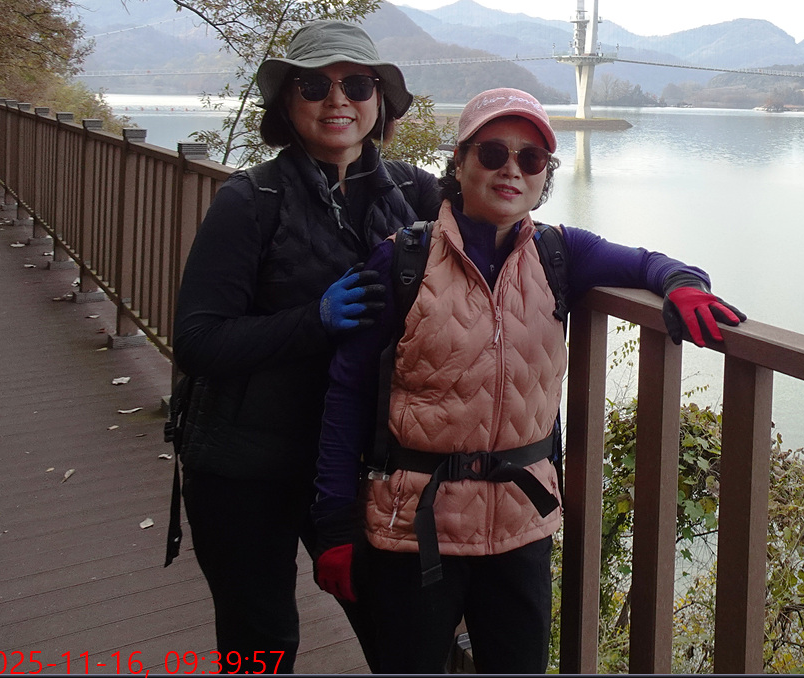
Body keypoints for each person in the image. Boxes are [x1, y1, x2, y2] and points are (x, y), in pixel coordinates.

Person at [310, 87, 745, 674]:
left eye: (531, 158)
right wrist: (334, 524)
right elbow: (347, 393)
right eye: (492, 153)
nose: (512, 170)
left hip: (520, 526)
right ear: (459, 162)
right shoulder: (402, 261)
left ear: (545, 174)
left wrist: (684, 285)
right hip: (412, 528)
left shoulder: (559, 254)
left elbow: (649, 263)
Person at [171, 20, 439, 673]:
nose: (337, 100)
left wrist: (657, 274)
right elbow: (199, 341)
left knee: (400, 637)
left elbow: (513, 240)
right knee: (259, 644)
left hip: (357, 466)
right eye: (315, 86)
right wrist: (314, 320)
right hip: (245, 465)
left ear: (380, 101)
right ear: (288, 103)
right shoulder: (249, 200)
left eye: (357, 85)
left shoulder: (419, 194)